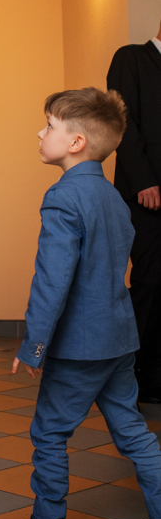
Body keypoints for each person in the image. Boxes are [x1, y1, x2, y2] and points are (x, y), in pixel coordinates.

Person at [0, 88, 161, 519]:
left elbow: (54, 280)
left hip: (80, 347)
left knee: (49, 433)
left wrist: (34, 345)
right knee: (131, 430)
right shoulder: (111, 198)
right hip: (120, 339)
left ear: (76, 143)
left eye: (49, 126)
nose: (40, 132)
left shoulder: (63, 198)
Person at [108, 31, 161, 404]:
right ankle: (134, 375)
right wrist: (144, 181)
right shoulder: (131, 58)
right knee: (150, 282)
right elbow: (122, 126)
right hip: (148, 197)